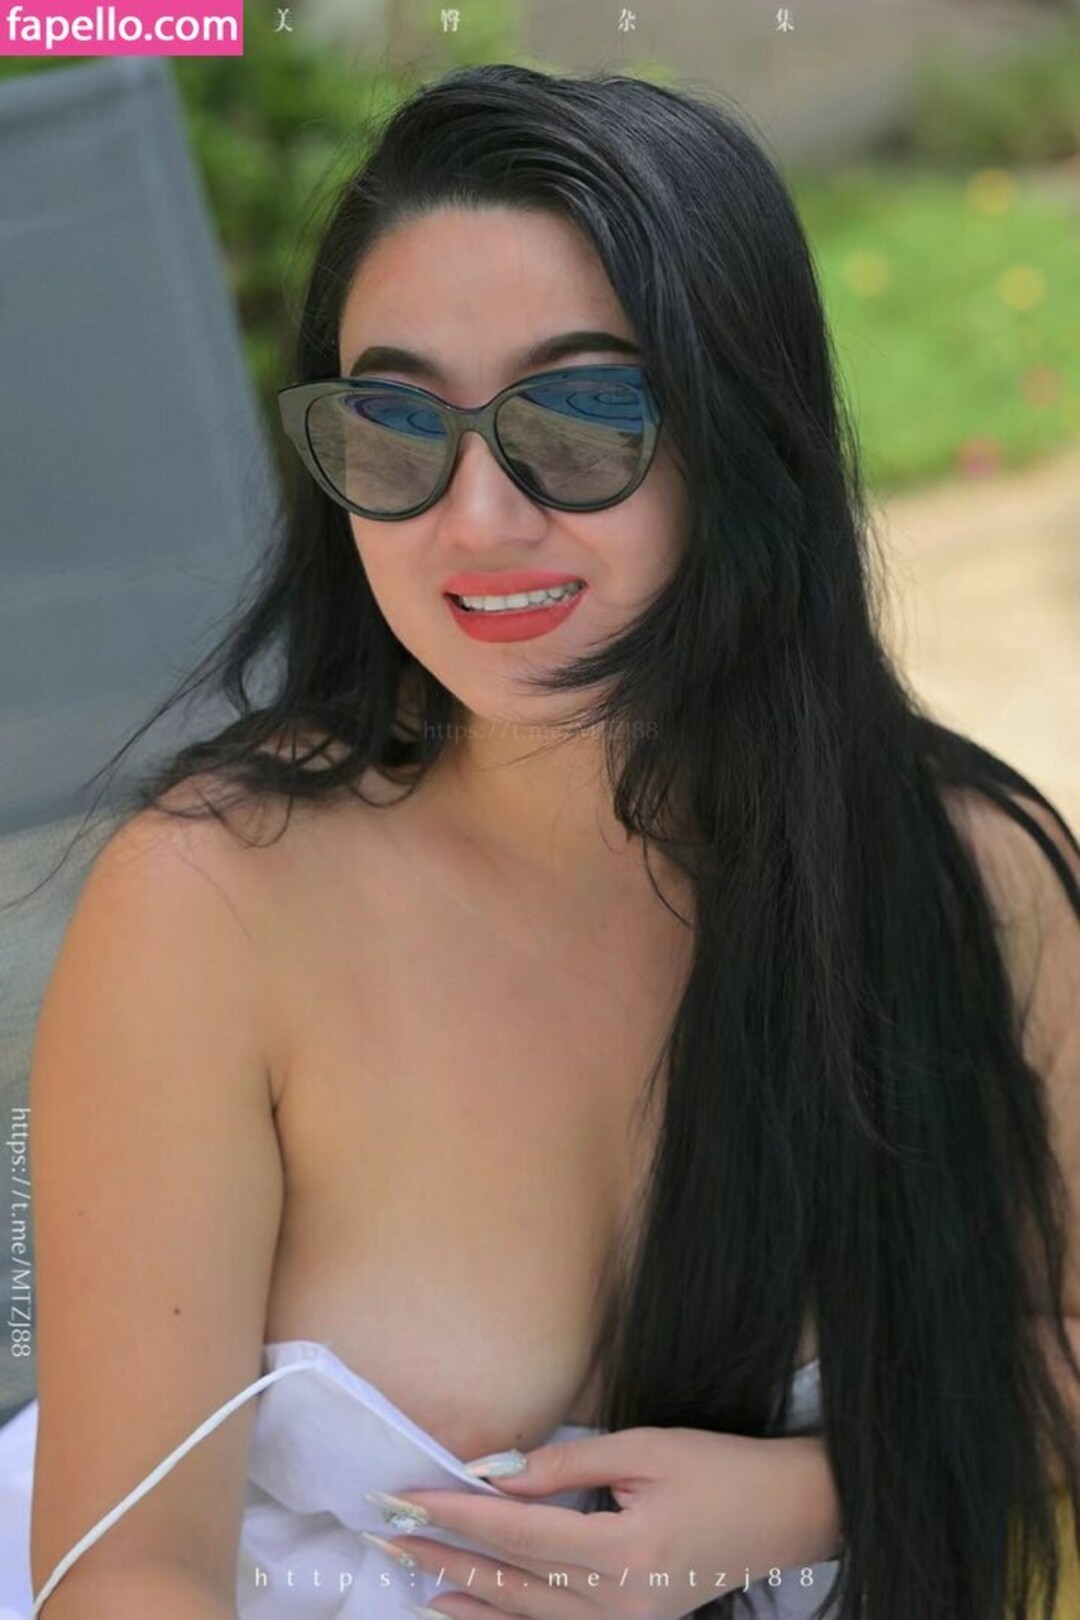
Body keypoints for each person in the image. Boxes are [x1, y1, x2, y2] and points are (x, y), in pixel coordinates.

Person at [0, 60, 1077, 1620]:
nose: (477, 519)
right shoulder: (213, 905)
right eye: (394, 423)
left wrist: (803, 1496)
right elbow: (122, 1568)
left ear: (744, 434)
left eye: (579, 415)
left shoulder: (967, 876)